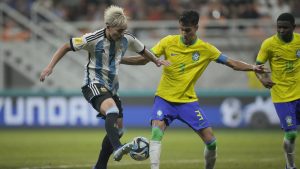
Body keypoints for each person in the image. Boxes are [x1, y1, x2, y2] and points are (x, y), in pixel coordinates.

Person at [121, 10, 269, 169]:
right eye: (181, 29)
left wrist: (253, 67)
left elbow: (232, 63)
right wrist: (120, 59)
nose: (184, 33)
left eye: (188, 30)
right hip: (164, 99)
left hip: (187, 102)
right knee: (156, 132)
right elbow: (144, 60)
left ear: (196, 28)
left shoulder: (206, 49)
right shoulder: (168, 42)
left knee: (211, 142)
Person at [39, 5, 168, 169]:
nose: (121, 34)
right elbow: (66, 46)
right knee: (112, 111)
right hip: (92, 84)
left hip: (111, 88)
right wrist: (49, 67)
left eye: (123, 31)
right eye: (118, 31)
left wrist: (156, 61)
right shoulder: (92, 38)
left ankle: (100, 166)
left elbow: (144, 51)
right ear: (108, 27)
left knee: (118, 130)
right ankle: (118, 148)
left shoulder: (126, 38)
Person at [255, 13, 299, 169]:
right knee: (291, 133)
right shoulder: (269, 44)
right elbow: (258, 67)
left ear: (293, 28)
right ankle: (290, 166)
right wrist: (262, 79)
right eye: (279, 27)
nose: (281, 30)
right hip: (281, 95)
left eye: (285, 27)